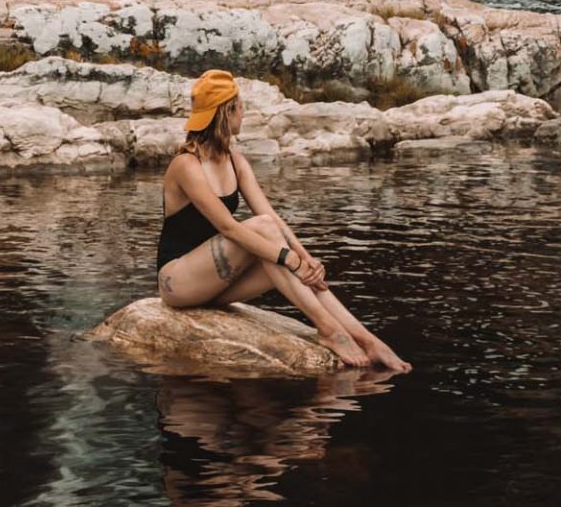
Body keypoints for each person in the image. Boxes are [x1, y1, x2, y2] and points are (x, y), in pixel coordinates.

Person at [155, 69, 411, 373]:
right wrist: (288, 257)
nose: (244, 112)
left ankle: (368, 339)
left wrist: (306, 258)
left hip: (214, 284)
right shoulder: (186, 164)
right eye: (240, 106)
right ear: (228, 111)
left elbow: (271, 215)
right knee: (264, 234)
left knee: (278, 244)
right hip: (178, 283)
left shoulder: (235, 160)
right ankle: (328, 329)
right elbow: (229, 227)